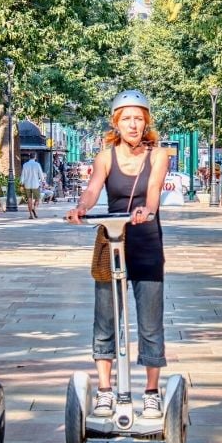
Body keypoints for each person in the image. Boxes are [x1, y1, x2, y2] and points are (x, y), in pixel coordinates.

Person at [66, 90, 169, 418]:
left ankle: (151, 392)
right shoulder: (106, 156)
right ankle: (106, 390)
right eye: (127, 118)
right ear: (116, 123)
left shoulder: (159, 155)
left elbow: (152, 191)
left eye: (139, 118)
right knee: (105, 321)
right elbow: (95, 187)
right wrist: (82, 206)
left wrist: (147, 211)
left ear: (146, 121)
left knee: (150, 324)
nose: (133, 124)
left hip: (147, 243)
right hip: (113, 244)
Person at [20, 152, 45, 219]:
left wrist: (21, 183)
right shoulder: (37, 164)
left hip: (27, 184)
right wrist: (43, 181)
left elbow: (23, 175)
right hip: (35, 184)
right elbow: (41, 174)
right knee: (38, 198)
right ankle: (34, 208)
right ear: (35, 157)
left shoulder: (25, 165)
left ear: (29, 157)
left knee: (29, 199)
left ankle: (31, 214)